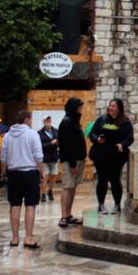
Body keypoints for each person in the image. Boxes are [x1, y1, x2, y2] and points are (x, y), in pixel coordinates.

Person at [1, 110, 46, 249]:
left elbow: (4, 158)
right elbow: (38, 156)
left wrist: (3, 174)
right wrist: (41, 172)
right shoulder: (32, 134)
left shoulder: (7, 135)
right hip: (30, 172)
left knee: (14, 205)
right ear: (27, 119)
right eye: (31, 119)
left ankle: (14, 238)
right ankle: (28, 237)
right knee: (30, 205)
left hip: (13, 173)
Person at [89, 99, 134, 213]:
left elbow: (130, 137)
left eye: (113, 106)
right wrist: (97, 139)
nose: (110, 108)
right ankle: (101, 205)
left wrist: (122, 144)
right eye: (110, 106)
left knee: (115, 180)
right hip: (101, 155)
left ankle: (117, 205)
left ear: (119, 108)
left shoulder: (125, 121)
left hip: (116, 157)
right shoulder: (102, 120)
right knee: (102, 180)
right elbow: (92, 133)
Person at [57, 97, 87, 228]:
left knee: (73, 187)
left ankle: (68, 215)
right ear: (74, 108)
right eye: (79, 107)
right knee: (67, 187)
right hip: (71, 161)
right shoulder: (66, 122)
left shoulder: (74, 121)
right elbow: (67, 145)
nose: (81, 110)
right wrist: (72, 164)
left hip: (78, 159)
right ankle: (63, 216)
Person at [38, 116, 60, 203]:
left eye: (50, 121)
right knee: (45, 176)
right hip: (44, 158)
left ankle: (50, 191)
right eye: (47, 121)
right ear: (43, 122)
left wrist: (58, 143)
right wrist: (50, 143)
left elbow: (60, 141)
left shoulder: (56, 131)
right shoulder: (39, 133)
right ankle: (43, 194)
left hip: (54, 157)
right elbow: (40, 146)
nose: (49, 123)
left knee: (54, 175)